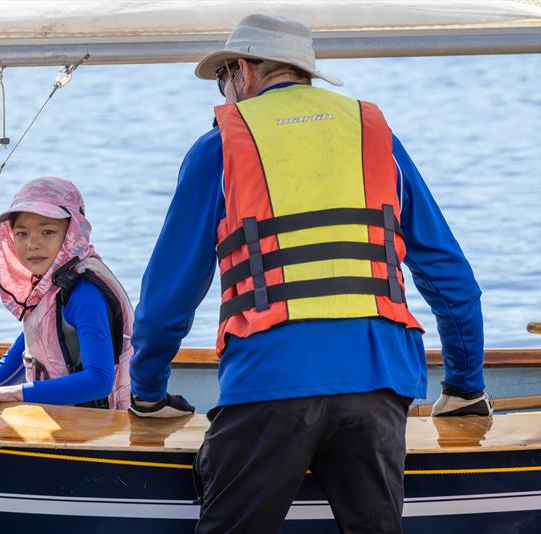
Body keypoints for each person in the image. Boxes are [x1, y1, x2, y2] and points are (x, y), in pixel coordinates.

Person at [128, 13, 491, 533]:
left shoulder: (220, 147)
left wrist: (147, 390)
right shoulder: (374, 137)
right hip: (380, 381)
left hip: (268, 380)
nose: (225, 92)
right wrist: (464, 385)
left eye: (223, 79)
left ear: (244, 70)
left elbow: (170, 294)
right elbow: (450, 276)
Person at [0, 177, 132, 409]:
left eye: (47, 231)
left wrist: (14, 393)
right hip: (65, 423)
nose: (32, 244)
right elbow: (9, 367)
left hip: (100, 432)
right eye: (22, 234)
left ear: (73, 233)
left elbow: (99, 381)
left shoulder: (84, 293)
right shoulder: (48, 290)